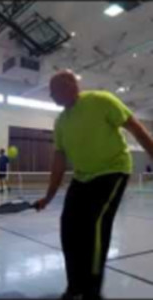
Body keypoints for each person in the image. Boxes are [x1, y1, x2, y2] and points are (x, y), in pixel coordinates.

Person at [35, 70, 153, 300]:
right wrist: (48, 197)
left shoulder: (102, 101)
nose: (51, 96)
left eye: (53, 91)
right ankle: (75, 285)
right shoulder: (60, 122)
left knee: (95, 225)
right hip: (82, 177)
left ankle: (92, 291)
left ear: (70, 87)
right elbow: (58, 161)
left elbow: (136, 128)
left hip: (113, 170)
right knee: (68, 227)